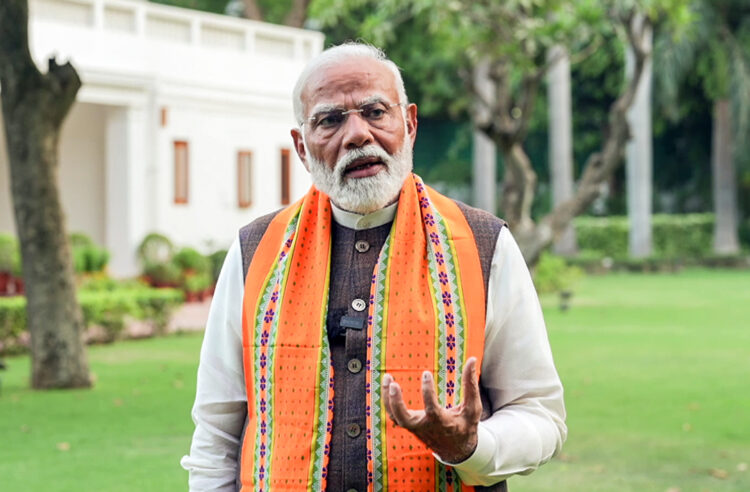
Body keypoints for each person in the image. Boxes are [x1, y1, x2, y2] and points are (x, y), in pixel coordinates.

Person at [181, 42, 566, 492]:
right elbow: (216, 433)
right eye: (330, 120)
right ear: (302, 147)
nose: (357, 134)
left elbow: (540, 413)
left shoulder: (484, 244)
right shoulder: (255, 251)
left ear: (410, 123)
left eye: (375, 111)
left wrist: (472, 446)